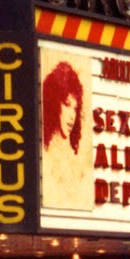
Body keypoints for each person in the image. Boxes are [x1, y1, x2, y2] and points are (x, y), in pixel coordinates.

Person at [41, 59, 90, 209]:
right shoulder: (46, 157)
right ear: (54, 104)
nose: (72, 116)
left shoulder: (78, 165)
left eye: (75, 108)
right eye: (67, 105)